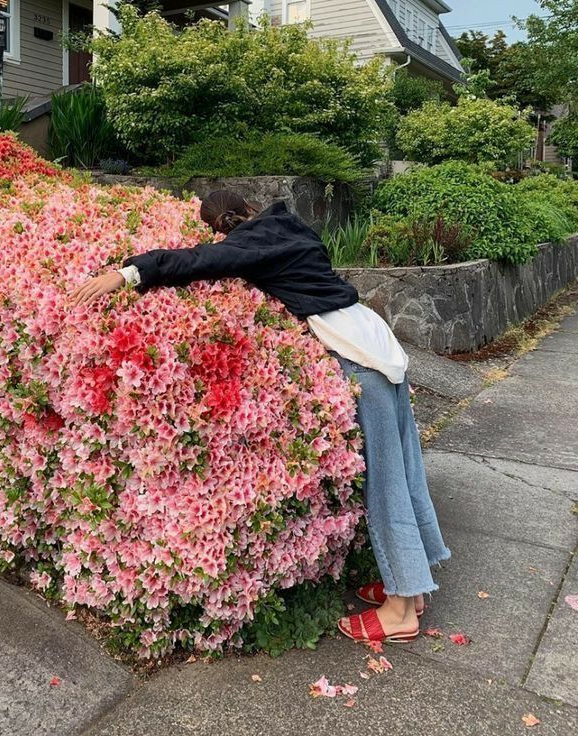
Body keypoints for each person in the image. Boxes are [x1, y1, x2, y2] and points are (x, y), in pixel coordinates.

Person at [70, 190, 451, 644]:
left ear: (219, 227)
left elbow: (193, 262)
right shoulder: (290, 224)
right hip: (377, 339)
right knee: (406, 469)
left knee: (385, 483)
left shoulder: (249, 245)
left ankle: (401, 608)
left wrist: (128, 272)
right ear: (249, 206)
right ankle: (414, 588)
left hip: (357, 360)